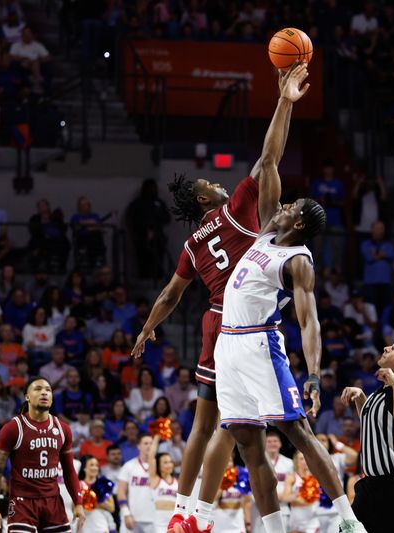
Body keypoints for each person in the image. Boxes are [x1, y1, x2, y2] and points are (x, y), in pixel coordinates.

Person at [131, 64, 310, 531]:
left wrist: (149, 326)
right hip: (247, 327)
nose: (218, 182)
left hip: (215, 322)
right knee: (252, 429)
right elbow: (270, 155)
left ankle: (184, 514)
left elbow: (171, 295)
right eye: (211, 184)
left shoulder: (192, 244)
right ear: (204, 199)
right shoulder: (233, 213)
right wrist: (283, 101)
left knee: (206, 426)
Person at [187, 113, 364, 533]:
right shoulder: (267, 231)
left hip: (258, 344)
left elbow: (310, 322)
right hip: (228, 346)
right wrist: (284, 100)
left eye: (291, 207)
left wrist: (315, 374)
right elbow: (269, 160)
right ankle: (273, 530)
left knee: (298, 431)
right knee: (249, 446)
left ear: (298, 222)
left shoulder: (297, 260)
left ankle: (347, 520)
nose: (283, 206)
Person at [340, 339, 394, 532]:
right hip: (370, 488)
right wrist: (361, 397)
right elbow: (373, 425)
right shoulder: (378, 394)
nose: (386, 348)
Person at [0, 376, 85, 533]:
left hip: (53, 501)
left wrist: (78, 503)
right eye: (38, 389)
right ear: (27, 396)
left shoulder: (63, 429)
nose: (44, 393)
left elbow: (69, 471)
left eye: (48, 390)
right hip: (22, 502)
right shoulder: (13, 428)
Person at [116, 433, 154, 533]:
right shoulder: (128, 466)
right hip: (132, 517)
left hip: (154, 518)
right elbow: (121, 492)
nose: (149, 446)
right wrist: (125, 513)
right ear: (138, 446)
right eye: (146, 443)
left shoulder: (159, 467)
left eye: (151, 443)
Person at [281, 451, 319, 533]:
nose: (305, 461)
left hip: (312, 517)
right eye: (301, 459)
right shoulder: (292, 477)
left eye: (306, 458)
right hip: (297, 517)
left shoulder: (315, 477)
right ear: (296, 461)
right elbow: (285, 497)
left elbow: (316, 498)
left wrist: (298, 497)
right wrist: (300, 497)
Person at [148, 434, 178, 532]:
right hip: (158, 523)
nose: (169, 464)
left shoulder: (178, 482)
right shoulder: (155, 479)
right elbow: (151, 457)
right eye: (165, 462)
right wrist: (156, 437)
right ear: (158, 465)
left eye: (170, 462)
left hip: (174, 522)